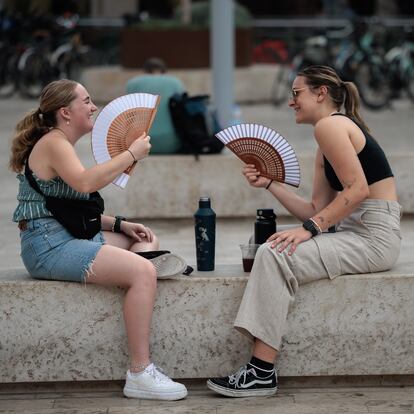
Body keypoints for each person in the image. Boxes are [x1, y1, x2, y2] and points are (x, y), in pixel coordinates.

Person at [207, 65, 401, 397]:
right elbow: (315, 210)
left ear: (320, 93)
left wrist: (310, 230)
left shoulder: (330, 126)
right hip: (358, 232)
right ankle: (259, 370)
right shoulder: (330, 132)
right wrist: (270, 183)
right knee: (276, 241)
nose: (290, 102)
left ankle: (260, 372)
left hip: (373, 237)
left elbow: (357, 191)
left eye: (296, 94)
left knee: (275, 253)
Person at [9, 79, 188, 401]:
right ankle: (140, 373)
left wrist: (120, 223)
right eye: (87, 101)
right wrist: (131, 153)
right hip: (48, 246)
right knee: (142, 271)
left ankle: (139, 276)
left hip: (63, 234)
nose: (94, 107)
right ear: (66, 112)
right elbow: (84, 183)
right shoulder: (54, 142)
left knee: (145, 239)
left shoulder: (59, 142)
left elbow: (64, 207)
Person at [126, 57, 185, 154]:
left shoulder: (132, 83)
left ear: (145, 70)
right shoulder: (176, 83)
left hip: (139, 143)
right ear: (164, 70)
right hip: (171, 142)